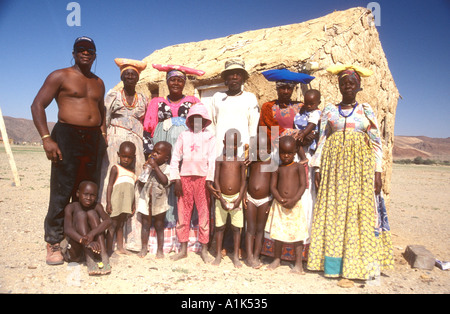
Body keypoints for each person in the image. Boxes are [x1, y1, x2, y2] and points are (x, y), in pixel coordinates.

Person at [307, 64, 394, 280]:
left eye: (351, 83)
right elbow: (322, 140)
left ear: (358, 86)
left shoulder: (366, 110)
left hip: (360, 170)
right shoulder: (329, 110)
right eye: (343, 83)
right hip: (333, 168)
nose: (347, 86)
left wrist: (377, 171)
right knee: (334, 210)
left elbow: (376, 143)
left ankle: (358, 264)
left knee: (358, 211)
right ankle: (333, 265)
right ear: (338, 86)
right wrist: (317, 167)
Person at [31, 36, 106, 265]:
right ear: (73, 53)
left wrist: (102, 135)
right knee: (62, 190)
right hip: (67, 135)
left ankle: (80, 238)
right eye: (81, 49)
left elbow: (100, 110)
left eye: (90, 50)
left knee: (87, 191)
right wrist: (46, 138)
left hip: (93, 139)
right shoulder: (60, 75)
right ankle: (53, 241)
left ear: (94, 55)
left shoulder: (99, 82)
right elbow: (37, 105)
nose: (85, 53)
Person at [143, 64, 204, 254]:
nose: (176, 83)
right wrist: (149, 154)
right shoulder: (157, 103)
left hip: (188, 149)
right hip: (162, 147)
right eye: (172, 79)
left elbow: (200, 128)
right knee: (162, 186)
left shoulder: (194, 101)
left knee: (183, 186)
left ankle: (186, 238)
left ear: (184, 83)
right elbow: (148, 128)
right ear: (167, 82)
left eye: (180, 80)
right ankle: (163, 240)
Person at [98, 58, 148, 252]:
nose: (130, 77)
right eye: (126, 74)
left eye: (133, 74)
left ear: (137, 78)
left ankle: (132, 237)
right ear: (122, 77)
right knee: (111, 181)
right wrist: (104, 138)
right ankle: (107, 233)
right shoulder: (113, 95)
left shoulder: (143, 99)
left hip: (135, 143)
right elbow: (104, 117)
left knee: (134, 183)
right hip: (115, 142)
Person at [169, 104, 216, 263]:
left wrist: (209, 179)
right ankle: (183, 249)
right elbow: (175, 157)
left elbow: (212, 160)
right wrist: (176, 179)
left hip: (202, 179)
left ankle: (204, 250)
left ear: (205, 122)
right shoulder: (184, 135)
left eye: (200, 119)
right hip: (185, 179)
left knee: (203, 214)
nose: (197, 122)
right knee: (183, 214)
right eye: (194, 118)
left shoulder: (209, 136)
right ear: (189, 120)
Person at [265, 136, 308, 274]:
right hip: (279, 205)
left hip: (295, 206)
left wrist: (294, 199)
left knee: (297, 235)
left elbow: (303, 185)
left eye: (289, 153)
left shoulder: (298, 167)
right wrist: (278, 198)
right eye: (283, 153)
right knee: (278, 233)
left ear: (295, 152)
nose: (286, 156)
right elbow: (273, 187)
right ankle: (277, 259)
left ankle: (298, 264)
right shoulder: (278, 168)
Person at [207, 58, 260, 158]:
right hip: (219, 149)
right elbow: (210, 125)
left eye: (238, 74)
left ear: (243, 78)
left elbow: (253, 126)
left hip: (242, 149)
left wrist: (251, 150)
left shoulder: (249, 98)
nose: (235, 77)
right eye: (231, 74)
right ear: (226, 78)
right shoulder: (217, 97)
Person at [211, 129, 247, 268]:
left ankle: (235, 257)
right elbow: (216, 180)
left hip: (236, 198)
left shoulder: (240, 161)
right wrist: (220, 197)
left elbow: (244, 182)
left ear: (238, 145)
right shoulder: (220, 160)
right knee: (220, 227)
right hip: (222, 198)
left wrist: (239, 199)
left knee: (236, 228)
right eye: (229, 144)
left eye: (234, 144)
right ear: (224, 143)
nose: (231, 147)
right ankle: (219, 254)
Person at [63, 181, 111, 275]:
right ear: (78, 194)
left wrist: (91, 234)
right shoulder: (71, 207)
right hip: (74, 252)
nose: (89, 198)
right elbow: (67, 229)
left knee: (92, 213)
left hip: (94, 249)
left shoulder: (97, 206)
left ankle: (104, 256)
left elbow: (108, 220)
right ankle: (90, 260)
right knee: (81, 215)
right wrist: (85, 240)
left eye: (92, 195)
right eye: (85, 194)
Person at [259, 68, 315, 146]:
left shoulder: (300, 107)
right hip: (276, 149)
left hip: (298, 148)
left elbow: (313, 120)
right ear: (277, 89)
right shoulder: (269, 107)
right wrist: (299, 133)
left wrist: (309, 133)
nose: (286, 92)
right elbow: (270, 132)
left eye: (289, 88)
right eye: (283, 88)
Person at [243, 133, 275, 268]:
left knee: (260, 229)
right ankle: (249, 257)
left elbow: (274, 184)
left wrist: (272, 201)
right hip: (250, 198)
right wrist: (244, 194)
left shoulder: (272, 163)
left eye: (264, 148)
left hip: (265, 200)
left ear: (269, 149)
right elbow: (244, 179)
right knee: (250, 228)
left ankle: (257, 255)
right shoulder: (251, 163)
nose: (260, 151)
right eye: (257, 148)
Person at [136, 141, 172, 259]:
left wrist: (155, 167)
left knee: (159, 225)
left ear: (166, 158)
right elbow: (141, 183)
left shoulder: (167, 168)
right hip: (146, 200)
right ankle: (143, 248)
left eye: (158, 153)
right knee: (145, 224)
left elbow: (165, 182)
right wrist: (146, 170)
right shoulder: (148, 167)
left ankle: (160, 250)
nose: (154, 154)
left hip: (160, 202)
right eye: (153, 151)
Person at [105, 141, 137, 256]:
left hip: (126, 203)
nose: (126, 160)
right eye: (124, 156)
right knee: (112, 225)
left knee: (121, 225)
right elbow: (109, 186)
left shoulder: (133, 172)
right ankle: (108, 249)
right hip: (116, 202)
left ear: (133, 157)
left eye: (129, 157)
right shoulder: (115, 168)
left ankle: (120, 248)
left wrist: (133, 204)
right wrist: (108, 203)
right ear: (119, 154)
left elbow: (132, 189)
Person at [293, 89, 322, 163]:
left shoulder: (315, 113)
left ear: (318, 103)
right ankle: (303, 158)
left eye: (312, 104)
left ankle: (304, 159)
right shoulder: (303, 111)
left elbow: (311, 125)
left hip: (309, 136)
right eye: (306, 103)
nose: (308, 106)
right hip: (303, 135)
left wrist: (303, 134)